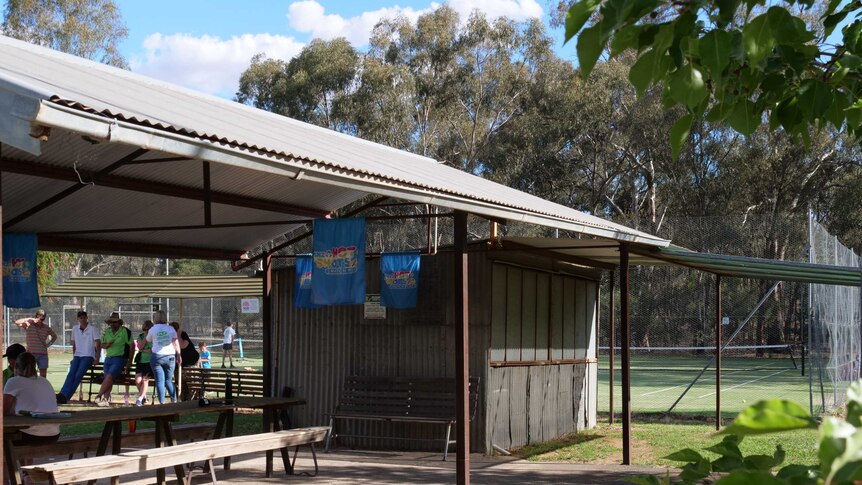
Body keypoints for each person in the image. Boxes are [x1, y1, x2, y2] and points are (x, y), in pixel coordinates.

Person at [4, 352, 61, 443]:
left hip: (30, 435)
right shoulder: (45, 381)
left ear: (16, 367)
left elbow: (4, 411)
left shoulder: (14, 381)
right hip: (53, 435)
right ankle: (26, 457)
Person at [57, 310, 101, 404]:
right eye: (80, 318)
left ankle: (66, 397)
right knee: (71, 374)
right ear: (78, 319)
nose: (83, 319)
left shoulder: (93, 329)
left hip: (88, 356)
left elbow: (98, 343)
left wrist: (97, 358)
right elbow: (74, 344)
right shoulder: (74, 328)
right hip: (77, 355)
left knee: (78, 375)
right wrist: (74, 356)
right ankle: (62, 394)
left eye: (84, 317)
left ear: (87, 318)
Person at [93, 312, 133, 406]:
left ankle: (98, 396)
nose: (113, 324)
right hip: (108, 358)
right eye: (111, 322)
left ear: (119, 322)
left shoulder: (125, 331)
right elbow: (101, 345)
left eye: (115, 322)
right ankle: (105, 400)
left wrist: (129, 362)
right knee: (108, 379)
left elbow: (132, 346)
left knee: (109, 376)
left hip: (120, 359)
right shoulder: (107, 332)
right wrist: (107, 345)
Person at [146, 311, 182, 404]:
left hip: (157, 356)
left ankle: (162, 402)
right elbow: (176, 343)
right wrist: (179, 354)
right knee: (168, 380)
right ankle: (174, 400)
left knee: (159, 381)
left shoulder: (153, 329)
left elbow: (148, 340)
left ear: (155, 318)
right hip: (170, 357)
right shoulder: (171, 328)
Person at [15, 309, 57, 377]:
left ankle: (41, 387)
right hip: (31, 354)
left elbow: (54, 336)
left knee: (43, 376)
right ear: (36, 316)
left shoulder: (46, 327)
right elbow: (17, 322)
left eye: (42, 317)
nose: (40, 318)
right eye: (39, 316)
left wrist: (49, 344)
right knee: (29, 374)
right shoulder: (29, 324)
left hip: (43, 354)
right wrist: (29, 319)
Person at [134, 320, 154, 407]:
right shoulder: (141, 336)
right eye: (145, 329)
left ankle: (140, 399)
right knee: (138, 380)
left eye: (148, 330)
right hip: (140, 362)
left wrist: (144, 350)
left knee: (145, 380)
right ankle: (144, 396)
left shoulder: (154, 337)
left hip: (150, 362)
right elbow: (139, 347)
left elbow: (153, 350)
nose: (146, 331)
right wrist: (146, 338)